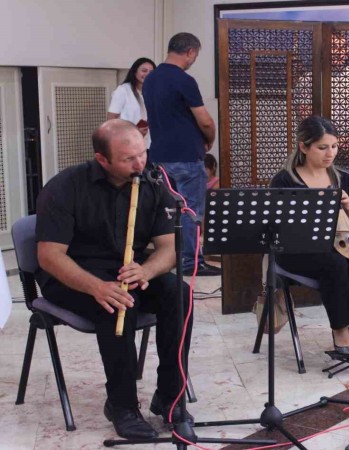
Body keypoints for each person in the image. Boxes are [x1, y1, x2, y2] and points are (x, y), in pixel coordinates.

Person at [35, 120, 193, 439]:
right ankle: (122, 406)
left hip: (128, 270)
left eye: (142, 154)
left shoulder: (154, 182)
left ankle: (169, 396)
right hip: (72, 276)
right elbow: (49, 256)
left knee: (180, 293)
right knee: (118, 304)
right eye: (128, 159)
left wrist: (147, 270)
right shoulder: (65, 187)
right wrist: (96, 287)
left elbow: (168, 249)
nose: (139, 164)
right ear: (102, 159)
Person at [269, 115, 349, 355]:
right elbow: (278, 227)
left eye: (334, 146)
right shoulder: (285, 179)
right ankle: (340, 330)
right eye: (322, 147)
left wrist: (347, 206)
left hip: (339, 243)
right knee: (334, 264)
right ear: (304, 147)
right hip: (297, 250)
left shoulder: (344, 178)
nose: (330, 154)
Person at [143, 32, 219, 277]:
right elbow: (205, 121)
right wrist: (210, 139)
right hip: (186, 156)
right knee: (190, 211)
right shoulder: (184, 80)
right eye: (195, 55)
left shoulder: (151, 79)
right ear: (190, 51)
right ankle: (190, 262)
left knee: (168, 212)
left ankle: (169, 258)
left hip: (158, 157)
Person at [107, 58, 156, 147]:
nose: (148, 74)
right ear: (135, 72)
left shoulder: (153, 92)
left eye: (151, 72)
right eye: (144, 71)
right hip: (128, 142)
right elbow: (111, 119)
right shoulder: (123, 90)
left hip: (149, 143)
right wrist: (132, 133)